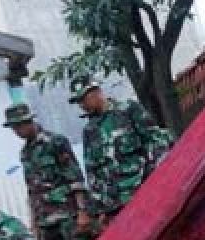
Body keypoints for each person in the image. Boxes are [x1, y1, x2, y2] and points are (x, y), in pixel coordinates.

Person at [4, 102, 90, 240]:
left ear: (28, 121)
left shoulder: (55, 142)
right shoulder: (25, 153)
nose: (16, 132)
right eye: (13, 129)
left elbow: (75, 178)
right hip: (45, 221)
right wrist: (34, 223)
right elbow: (32, 190)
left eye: (18, 127)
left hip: (68, 215)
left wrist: (82, 212)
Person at [72, 78, 173, 231]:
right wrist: (100, 208)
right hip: (117, 206)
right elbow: (92, 172)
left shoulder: (128, 110)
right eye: (78, 102)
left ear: (97, 92)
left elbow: (156, 141)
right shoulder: (90, 130)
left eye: (83, 99)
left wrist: (155, 180)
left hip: (144, 192)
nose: (82, 106)